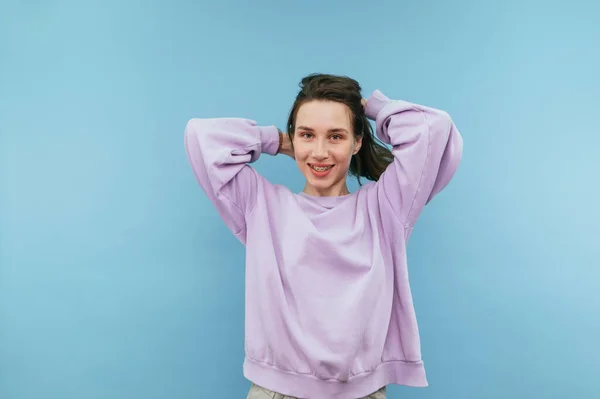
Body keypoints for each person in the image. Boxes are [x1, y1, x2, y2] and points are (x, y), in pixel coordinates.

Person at [184, 73, 463, 399]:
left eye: (335, 136)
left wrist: (372, 107)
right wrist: (276, 140)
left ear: (357, 142)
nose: (319, 152)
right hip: (276, 393)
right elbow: (201, 136)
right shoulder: (261, 206)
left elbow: (434, 128)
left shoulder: (386, 207)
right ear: (294, 138)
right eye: (307, 135)